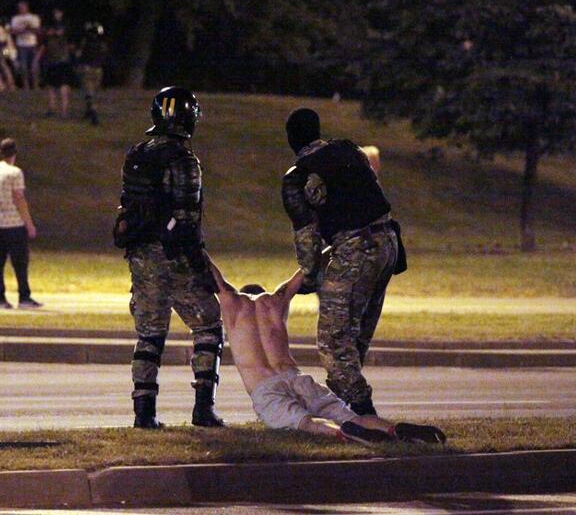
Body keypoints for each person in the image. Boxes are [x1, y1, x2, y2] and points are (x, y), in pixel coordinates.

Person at [208, 259, 445, 445]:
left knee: (305, 422)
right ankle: (391, 429)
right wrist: (330, 247)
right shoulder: (275, 301)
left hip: (266, 388)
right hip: (297, 378)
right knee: (351, 416)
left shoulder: (232, 303)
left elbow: (215, 276)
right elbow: (303, 272)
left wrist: (193, 242)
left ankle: (341, 434)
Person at [281, 108, 406, 416]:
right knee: (355, 335)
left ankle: (366, 414)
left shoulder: (299, 177)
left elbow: (307, 236)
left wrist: (309, 276)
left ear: (291, 140)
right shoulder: (349, 150)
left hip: (355, 249)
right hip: (388, 242)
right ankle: (338, 409)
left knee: (334, 340)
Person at [113, 87, 223, 429]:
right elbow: (186, 220)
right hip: (175, 256)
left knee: (149, 334)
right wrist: (201, 266)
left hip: (141, 255)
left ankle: (143, 413)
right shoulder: (184, 159)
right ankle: (203, 408)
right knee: (208, 326)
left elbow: (129, 206)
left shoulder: (137, 154)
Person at [0, 138, 41, 309]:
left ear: (1, 152)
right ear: (15, 153)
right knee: (20, 261)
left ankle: (0, 297)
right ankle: (24, 297)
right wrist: (29, 223)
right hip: (14, 223)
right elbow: (19, 199)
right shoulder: (15, 173)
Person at [42, 8, 75, 118]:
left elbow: (62, 33)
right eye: (55, 12)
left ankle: (64, 111)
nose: (56, 14)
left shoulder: (65, 25)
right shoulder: (50, 25)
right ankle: (51, 108)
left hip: (62, 59)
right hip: (52, 59)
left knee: (63, 85)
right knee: (51, 86)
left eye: (58, 12)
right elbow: (46, 34)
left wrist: (54, 33)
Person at [76, 21, 108, 125]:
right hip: (98, 69)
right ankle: (89, 111)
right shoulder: (102, 44)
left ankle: (93, 114)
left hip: (88, 68)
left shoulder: (85, 43)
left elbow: (79, 55)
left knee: (89, 92)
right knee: (93, 92)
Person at [10, 1, 41, 89]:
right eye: (19, 7)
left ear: (27, 7)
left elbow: (37, 30)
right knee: (23, 66)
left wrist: (26, 29)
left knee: (34, 65)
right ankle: (26, 85)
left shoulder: (34, 17)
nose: (21, 9)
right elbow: (13, 31)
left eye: (23, 7)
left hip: (32, 44)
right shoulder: (15, 19)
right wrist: (24, 29)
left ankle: (36, 85)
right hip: (21, 45)